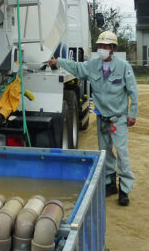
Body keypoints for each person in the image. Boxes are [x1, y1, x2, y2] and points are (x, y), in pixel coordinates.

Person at [46, 31, 138, 206]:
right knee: (105, 153)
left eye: (105, 46)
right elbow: (76, 67)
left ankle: (125, 189)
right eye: (100, 46)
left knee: (122, 153)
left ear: (113, 49)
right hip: (103, 118)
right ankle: (109, 183)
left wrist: (132, 114)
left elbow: (134, 92)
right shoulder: (93, 65)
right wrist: (58, 61)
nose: (101, 49)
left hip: (118, 119)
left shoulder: (124, 66)